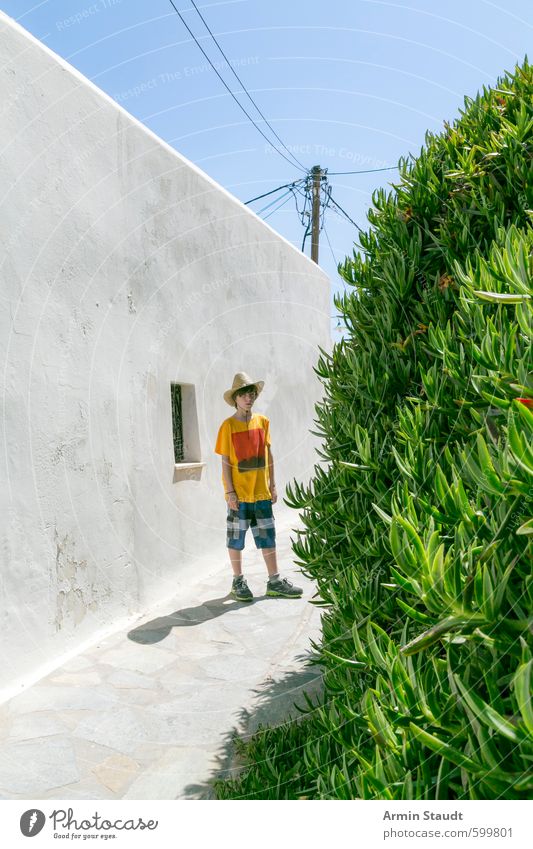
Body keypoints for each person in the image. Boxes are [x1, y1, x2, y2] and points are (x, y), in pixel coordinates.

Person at [214, 371, 303, 602]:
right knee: (236, 538)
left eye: (251, 394)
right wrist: (229, 491)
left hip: (261, 492)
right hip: (239, 495)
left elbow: (269, 455)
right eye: (244, 395)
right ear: (236, 398)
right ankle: (238, 580)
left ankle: (274, 581)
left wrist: (273, 485)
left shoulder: (263, 422)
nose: (248, 398)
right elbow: (225, 462)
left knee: (268, 536)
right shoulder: (228, 426)